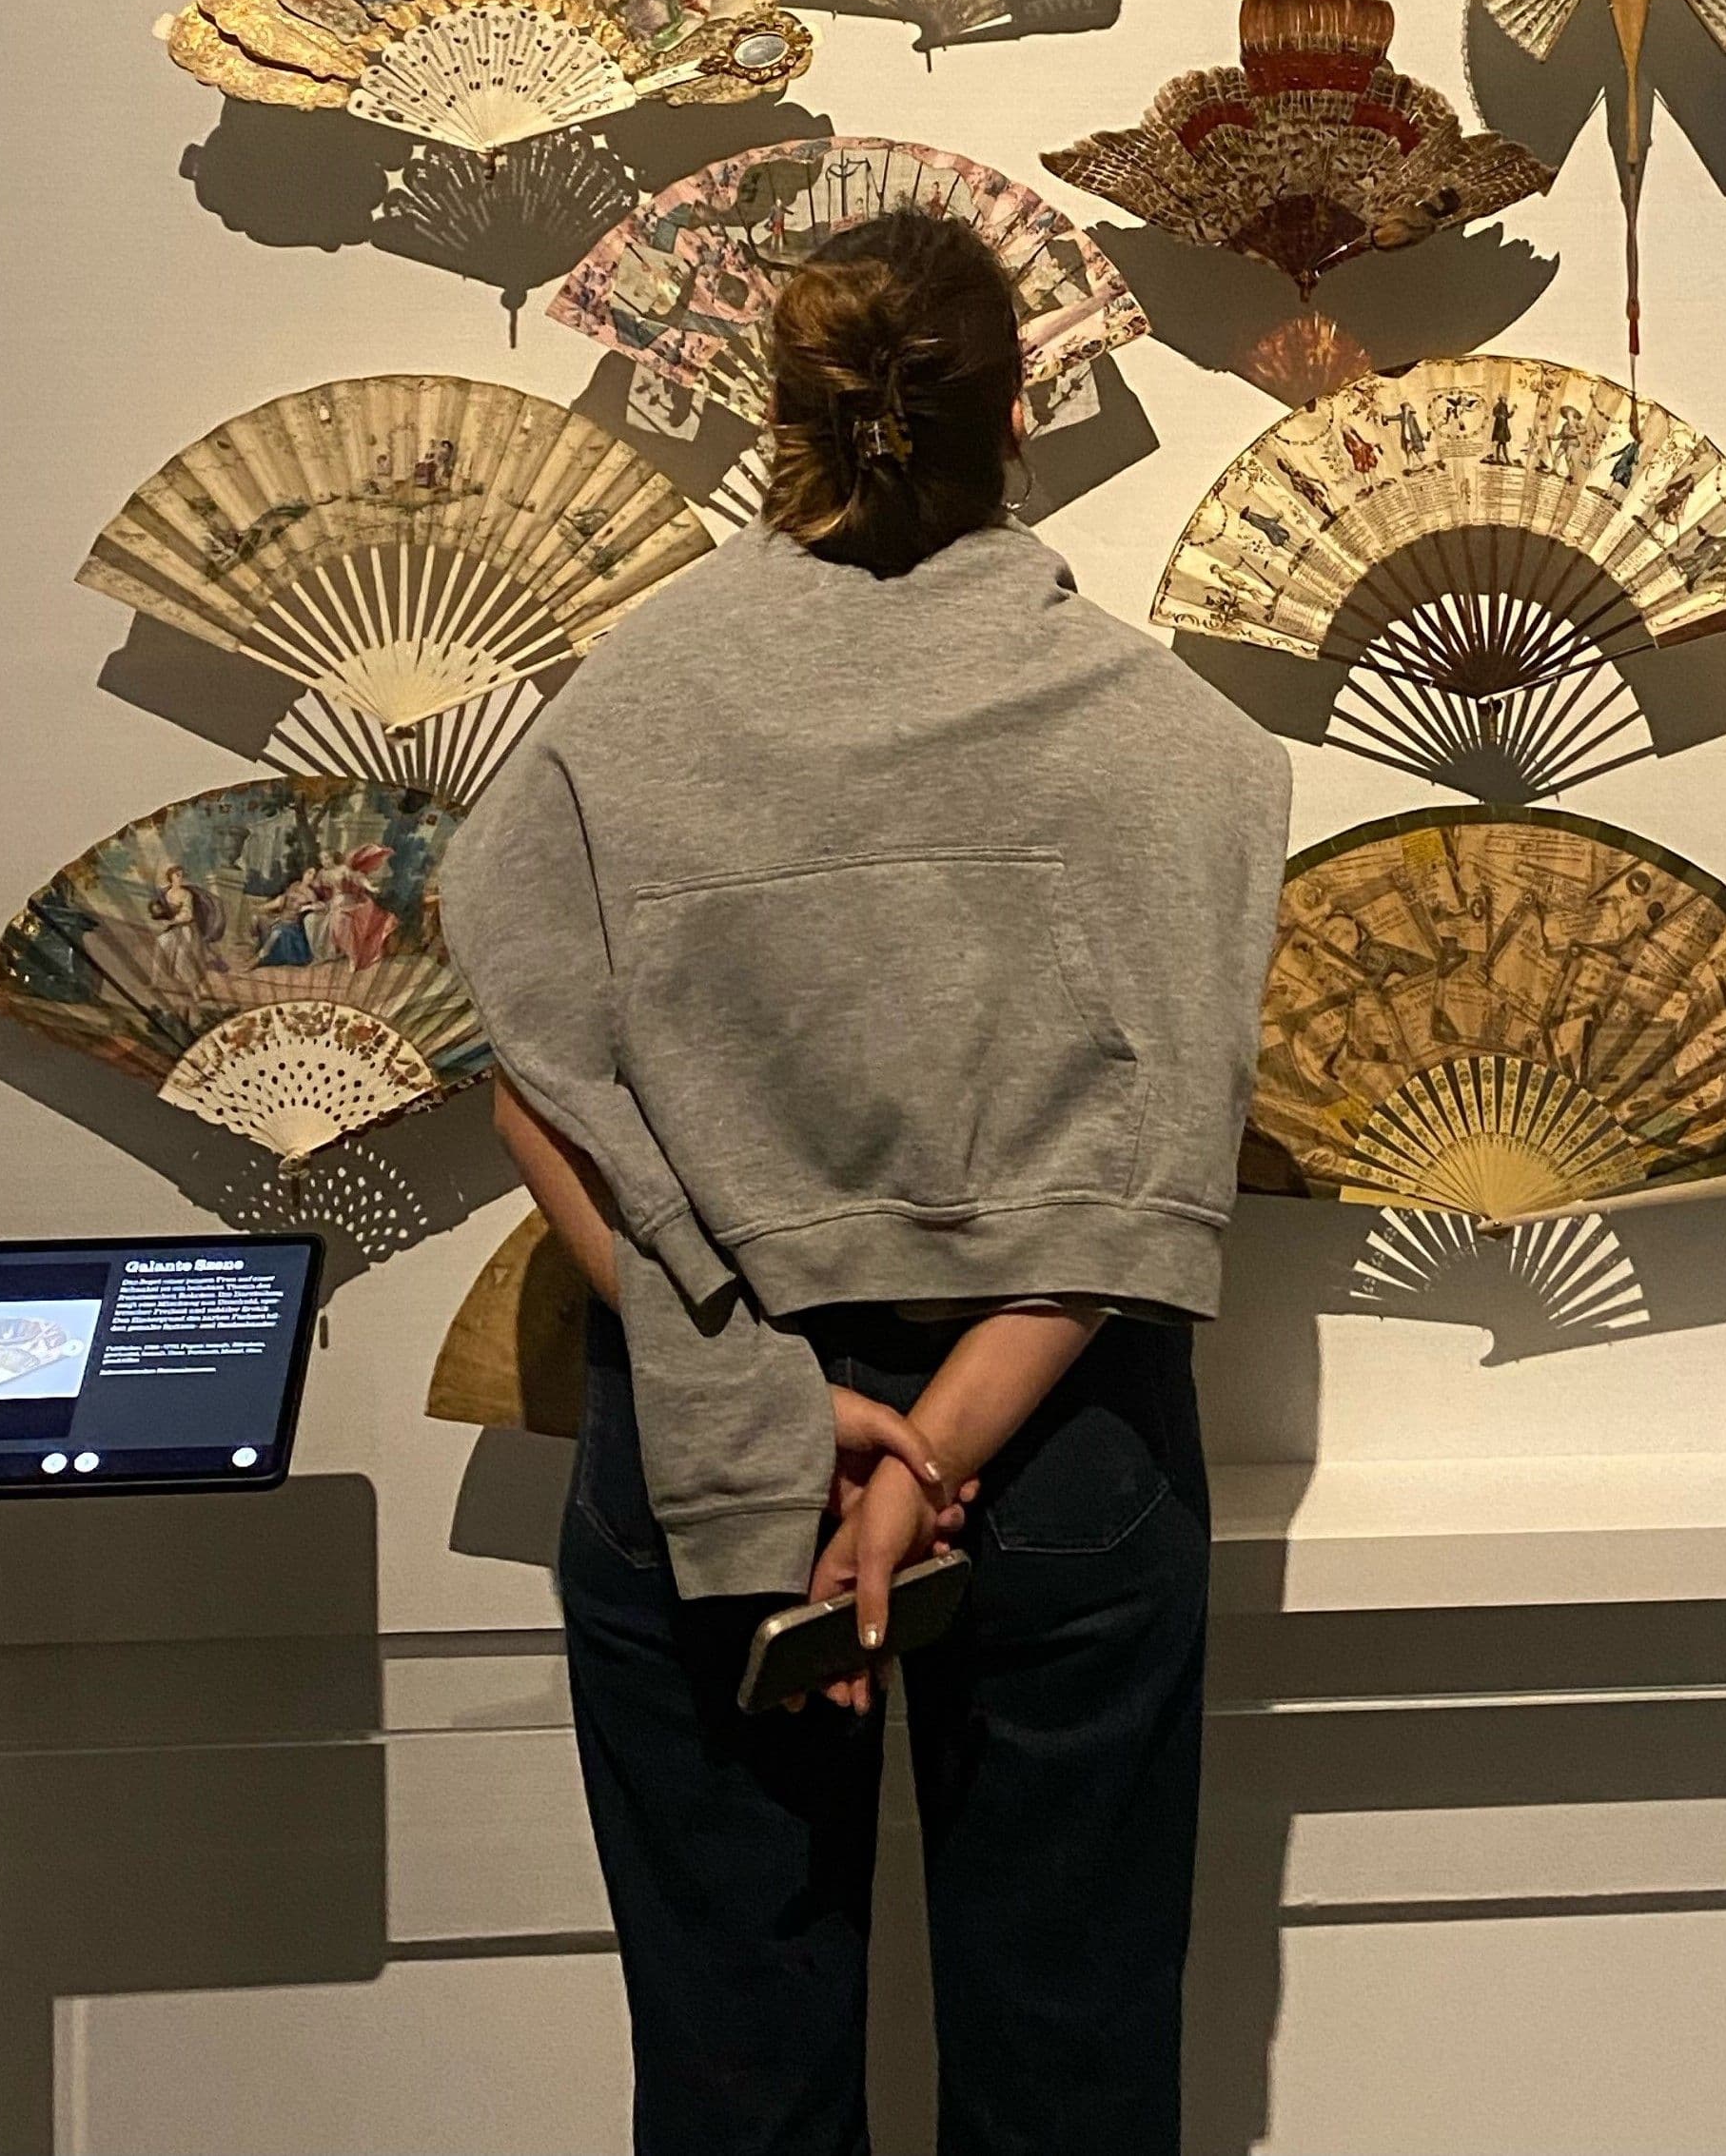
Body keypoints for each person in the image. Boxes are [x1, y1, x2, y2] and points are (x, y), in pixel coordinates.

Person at [439, 211, 1293, 2156]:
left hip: (709, 1418)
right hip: (1057, 1444)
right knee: (1070, 2079)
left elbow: (537, 1095)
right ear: (1022, 412)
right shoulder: (1170, 738)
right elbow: (1146, 1170)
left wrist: (763, 1395)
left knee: (736, 2075)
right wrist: (935, 1452)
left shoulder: (628, 708)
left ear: (782, 418)